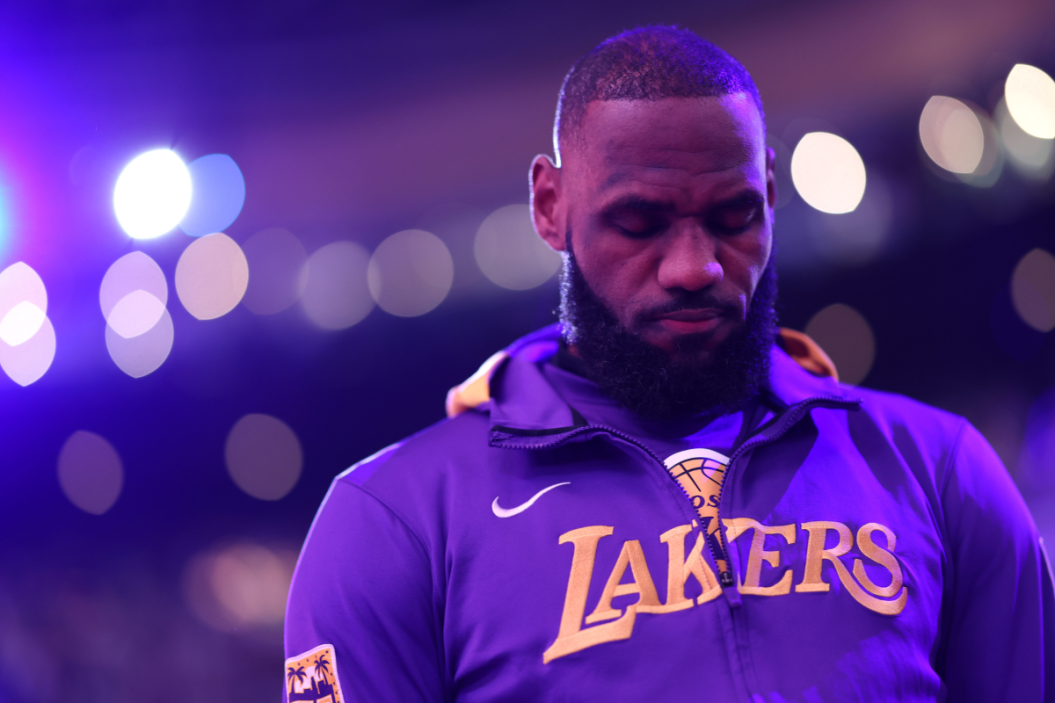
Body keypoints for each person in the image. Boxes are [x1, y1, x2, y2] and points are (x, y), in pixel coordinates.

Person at [283, 26, 1054, 702]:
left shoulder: (938, 469)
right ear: (550, 206)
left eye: (732, 216)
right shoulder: (393, 523)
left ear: (771, 197)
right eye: (638, 220)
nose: (694, 267)